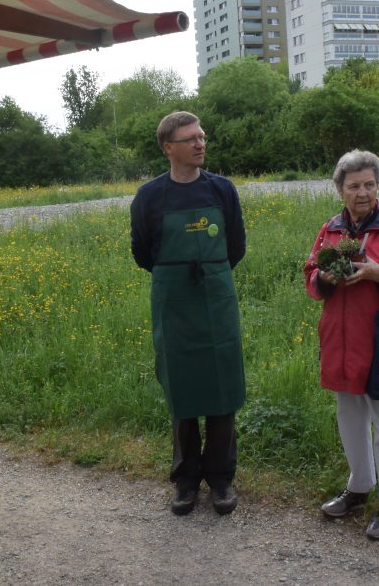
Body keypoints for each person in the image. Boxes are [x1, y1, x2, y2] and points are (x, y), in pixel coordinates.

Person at [303, 149, 379, 539]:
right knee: (350, 418)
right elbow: (310, 277)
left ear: (378, 186)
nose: (363, 193)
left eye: (370, 184)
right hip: (340, 340)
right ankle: (359, 486)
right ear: (340, 189)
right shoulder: (331, 229)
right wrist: (323, 278)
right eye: (354, 185)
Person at [130, 111, 246, 517]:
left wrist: (209, 274)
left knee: (221, 389)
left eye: (202, 137)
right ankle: (184, 480)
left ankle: (220, 478)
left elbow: (236, 248)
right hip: (173, 304)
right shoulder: (149, 197)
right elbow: (143, 253)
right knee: (182, 391)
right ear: (169, 148)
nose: (200, 144)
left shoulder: (222, 191)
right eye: (190, 139)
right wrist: (179, 275)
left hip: (216, 302)